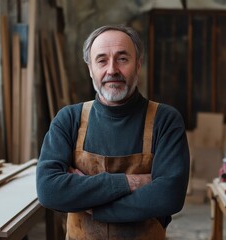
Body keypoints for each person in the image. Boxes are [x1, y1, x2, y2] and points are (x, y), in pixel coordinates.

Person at [36, 25, 190, 240]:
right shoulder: (69, 119)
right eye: (101, 60)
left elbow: (169, 197)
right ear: (90, 69)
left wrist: (92, 206)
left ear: (138, 64)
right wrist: (131, 182)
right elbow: (49, 191)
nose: (112, 70)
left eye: (122, 59)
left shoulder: (165, 120)